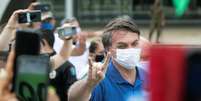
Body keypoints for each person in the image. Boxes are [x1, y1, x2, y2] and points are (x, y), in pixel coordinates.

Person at [68, 16, 148, 101]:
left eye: (135, 44)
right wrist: (88, 84)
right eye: (122, 46)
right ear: (107, 50)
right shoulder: (99, 78)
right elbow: (74, 99)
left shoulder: (148, 76)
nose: (130, 49)